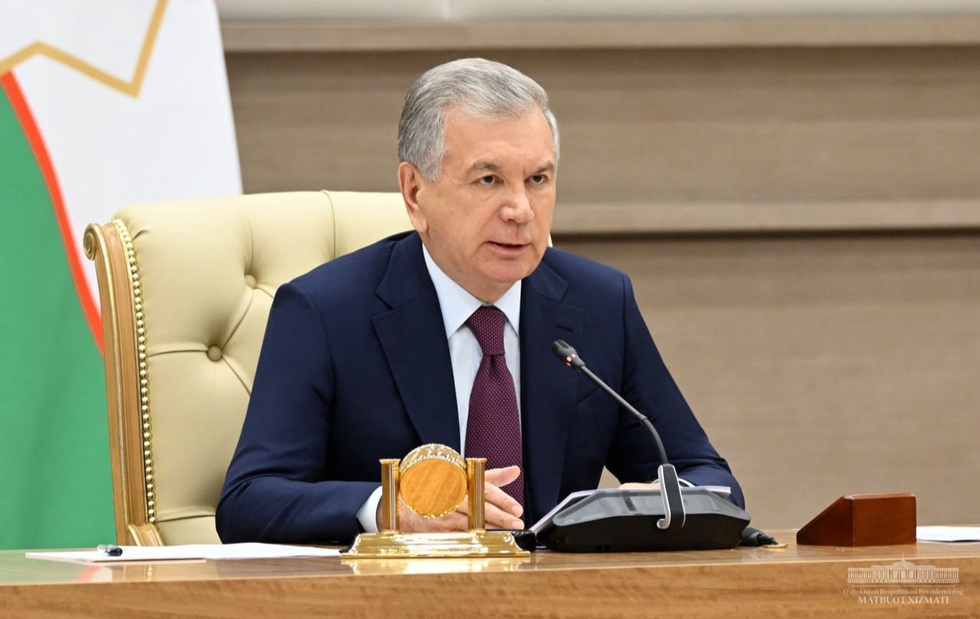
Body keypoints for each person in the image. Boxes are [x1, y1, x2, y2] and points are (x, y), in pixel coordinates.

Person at [216, 58, 744, 545]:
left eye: (538, 179)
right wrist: (389, 509)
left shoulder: (600, 304)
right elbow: (248, 500)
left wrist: (658, 502)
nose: (521, 210)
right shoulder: (325, 312)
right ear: (414, 192)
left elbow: (710, 478)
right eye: (489, 180)